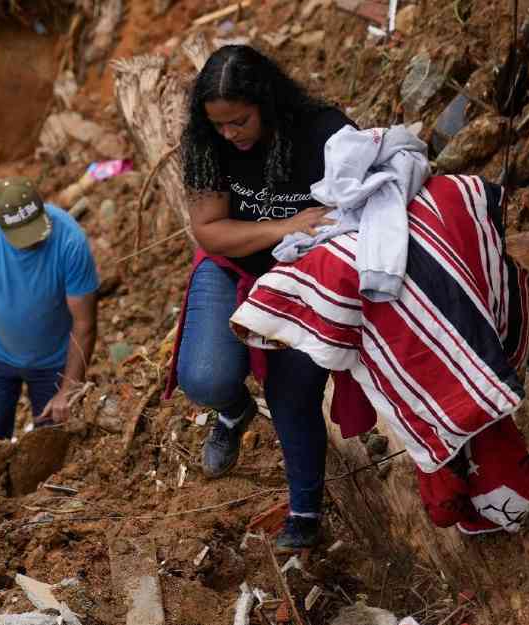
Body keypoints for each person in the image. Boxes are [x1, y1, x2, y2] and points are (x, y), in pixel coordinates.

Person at [173, 45, 355, 550]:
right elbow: (210, 231)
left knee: (291, 390)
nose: (230, 134)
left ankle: (304, 512)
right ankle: (231, 410)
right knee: (204, 377)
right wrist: (284, 227)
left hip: (306, 275)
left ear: (268, 102)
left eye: (240, 121)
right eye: (219, 125)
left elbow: (363, 202)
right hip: (233, 263)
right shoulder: (207, 145)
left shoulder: (324, 132)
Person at [0, 177, 98, 471]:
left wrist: (68, 388)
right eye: (23, 236)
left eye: (37, 230)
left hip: (53, 359)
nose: (35, 240)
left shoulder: (69, 240)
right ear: (0, 225)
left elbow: (85, 324)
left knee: (49, 450)